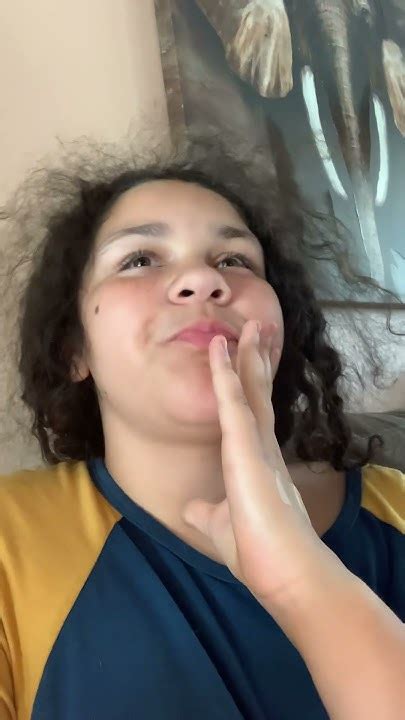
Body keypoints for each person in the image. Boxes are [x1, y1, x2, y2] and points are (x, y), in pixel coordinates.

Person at [0, 139, 404, 719]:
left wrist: (304, 582)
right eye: (140, 259)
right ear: (73, 350)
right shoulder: (10, 542)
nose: (201, 279)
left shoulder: (397, 506)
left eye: (234, 260)